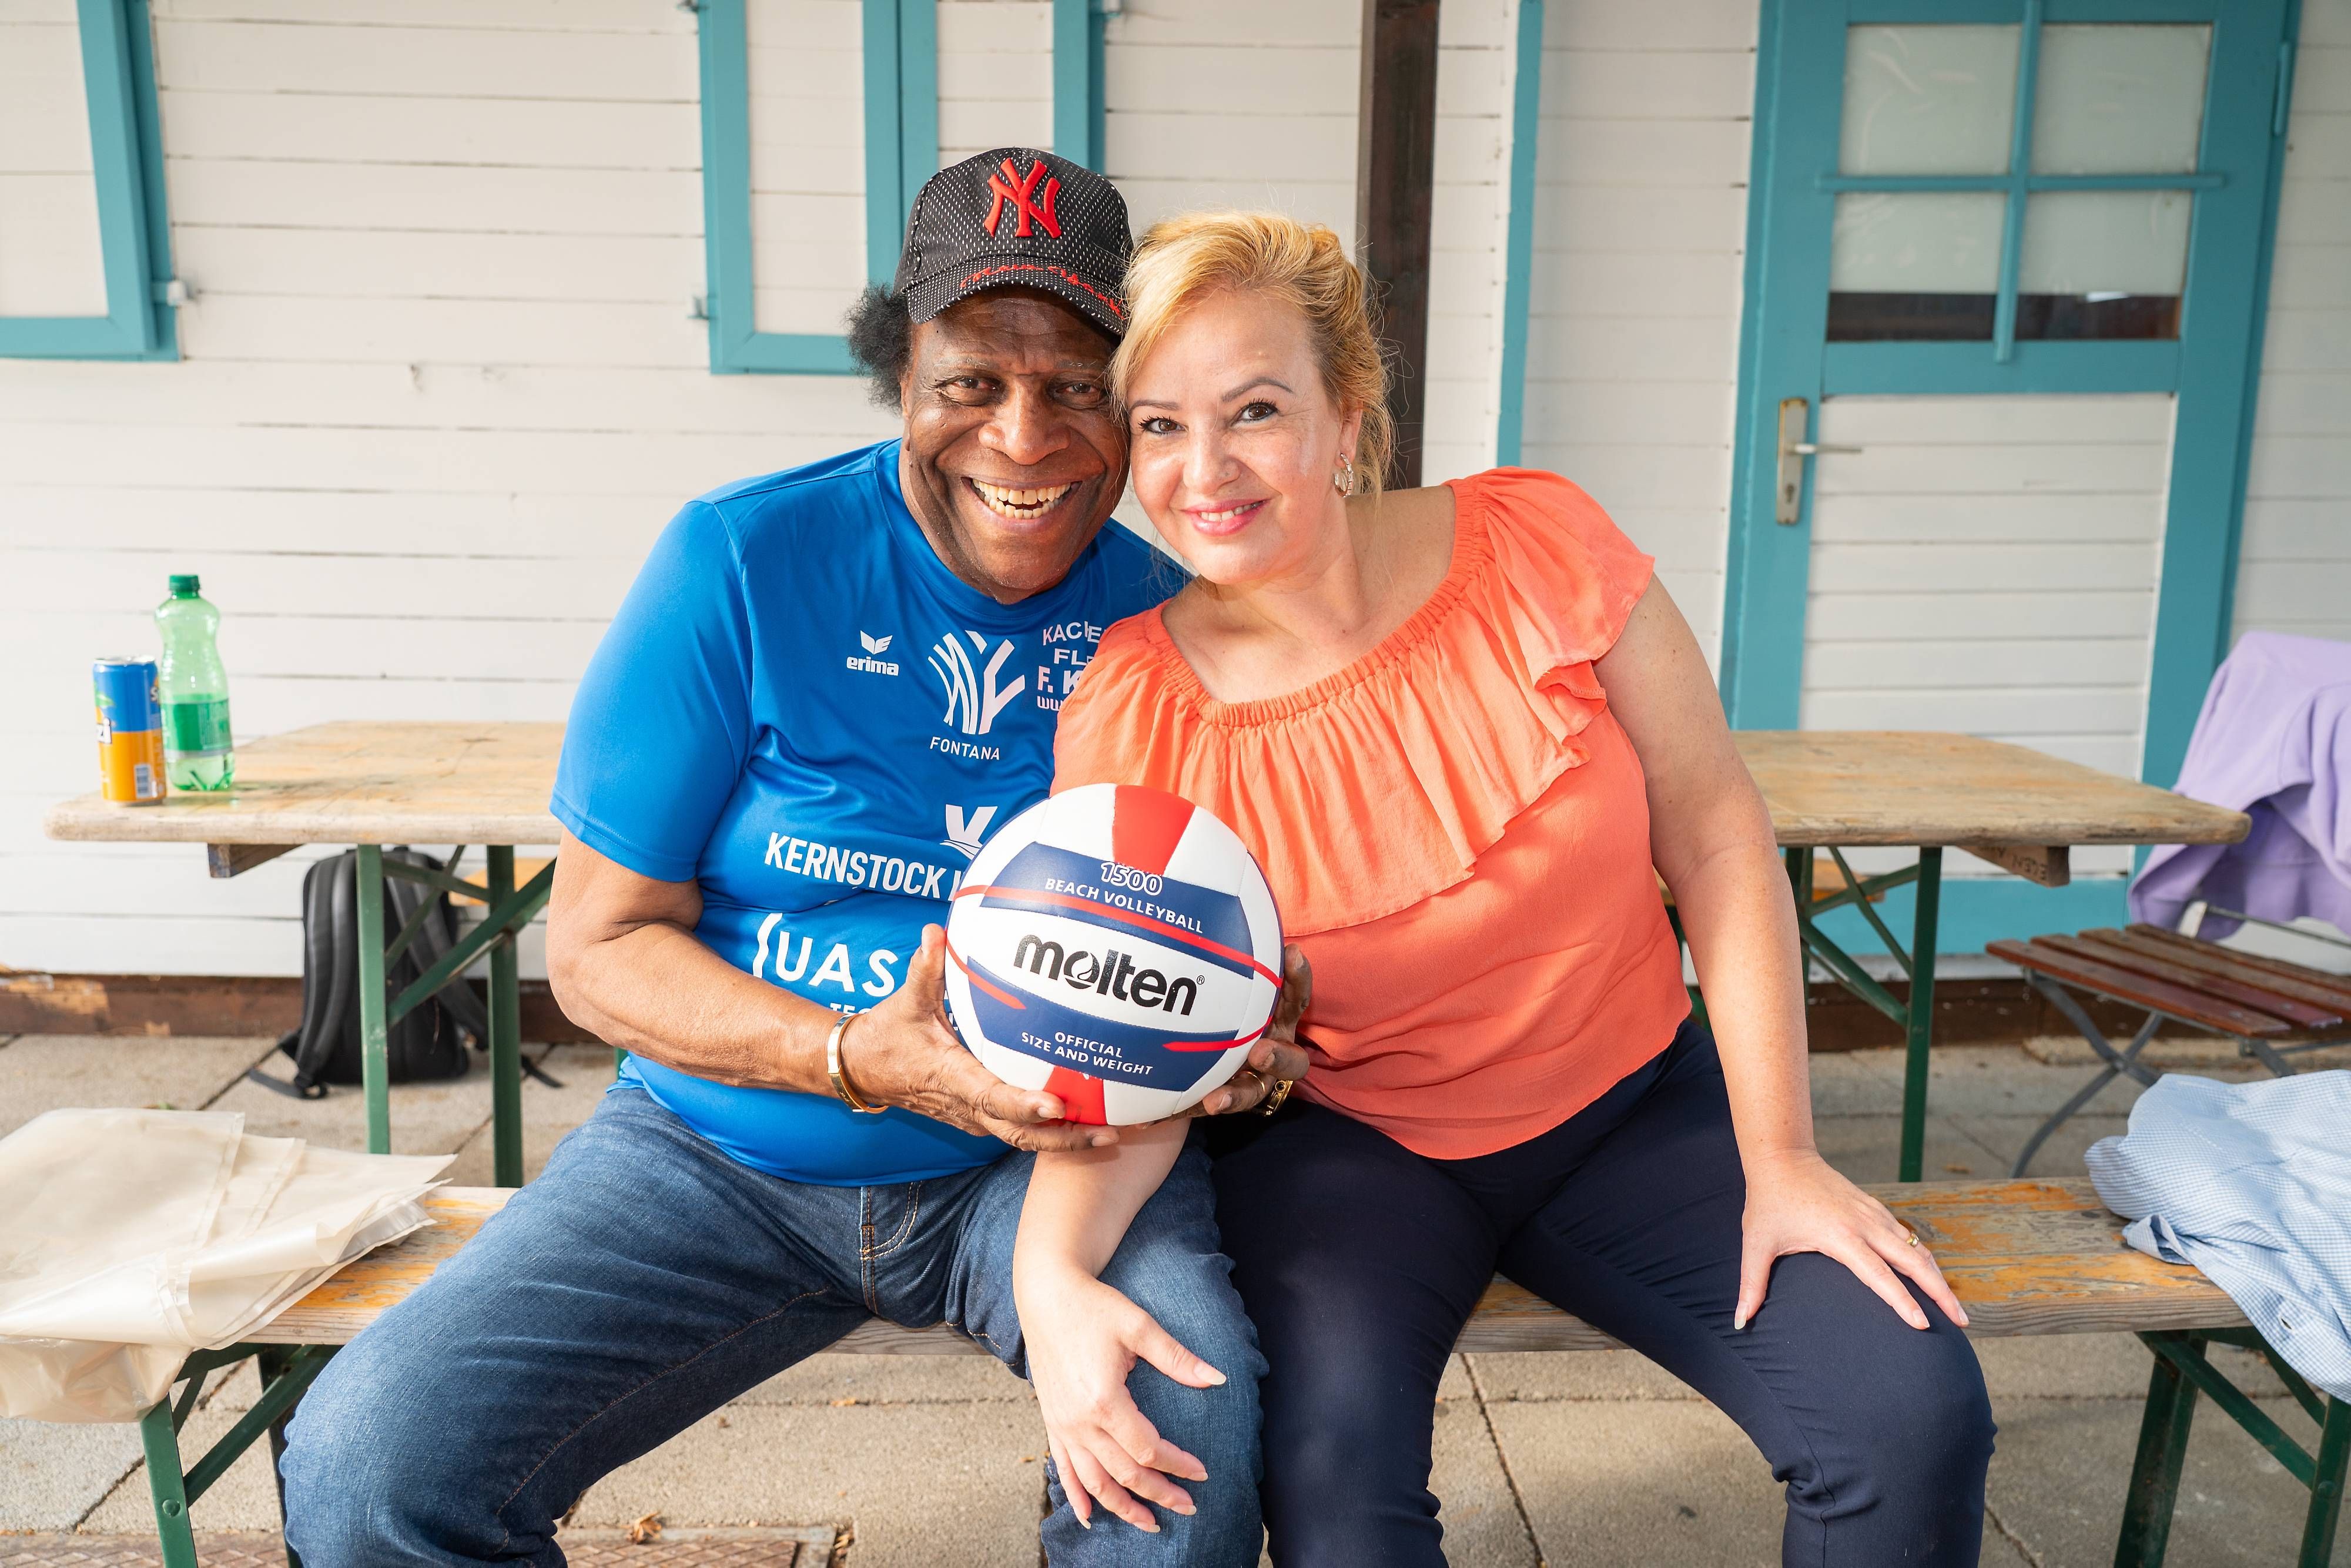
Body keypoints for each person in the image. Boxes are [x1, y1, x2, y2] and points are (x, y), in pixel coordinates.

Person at [277, 152, 1304, 1568]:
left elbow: (1237, 936)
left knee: (1185, 1426)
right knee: (368, 1465)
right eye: (970, 380)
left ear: (1128, 408)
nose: (1021, 436)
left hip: (1047, 1163)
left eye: (1074, 386)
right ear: (901, 377)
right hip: (714, 1154)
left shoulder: (1178, 622)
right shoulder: (740, 560)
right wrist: (847, 1053)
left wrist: (1245, 1030)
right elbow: (595, 947)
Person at [1027, 210, 1997, 1565]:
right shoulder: (1133, 706)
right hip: (1348, 1151)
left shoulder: (1537, 542)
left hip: (1631, 1102)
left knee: (1906, 1413)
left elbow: (1716, 830)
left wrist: (1783, 1158)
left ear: (1348, 414)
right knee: (1338, 1508)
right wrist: (1048, 1271)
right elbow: (1128, 1040)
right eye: (1159, 425)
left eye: (1254, 409)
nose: (1205, 470)